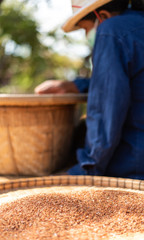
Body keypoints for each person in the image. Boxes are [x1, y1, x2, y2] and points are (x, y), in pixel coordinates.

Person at [35, 0, 144, 180]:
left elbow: (105, 111)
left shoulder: (111, 30)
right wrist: (77, 85)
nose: (87, 35)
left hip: (132, 170)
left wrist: (85, 169)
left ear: (102, 16)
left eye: (85, 29)